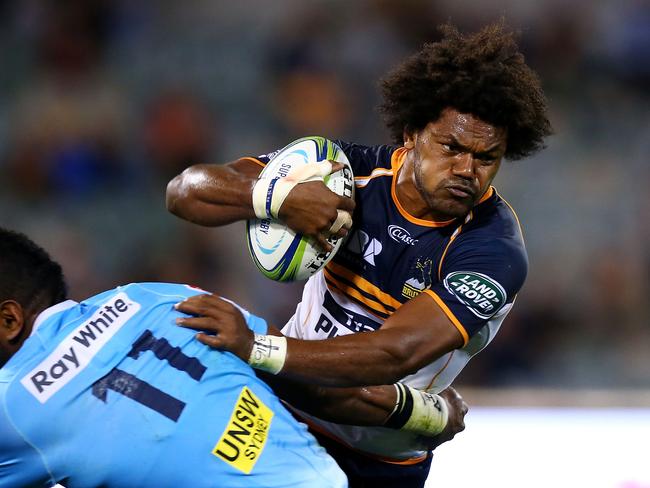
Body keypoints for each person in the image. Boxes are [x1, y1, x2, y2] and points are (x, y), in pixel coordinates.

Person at [166, 21, 551, 487]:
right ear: (412, 133)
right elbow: (185, 191)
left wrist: (256, 347)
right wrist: (276, 196)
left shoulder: (493, 251)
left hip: (379, 457)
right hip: (280, 414)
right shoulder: (344, 171)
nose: (467, 169)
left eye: (486, 157)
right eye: (451, 147)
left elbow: (394, 353)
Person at [0, 228, 467, 488]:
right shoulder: (160, 297)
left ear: (9, 321)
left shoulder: (13, 406)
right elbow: (320, 390)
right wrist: (428, 414)